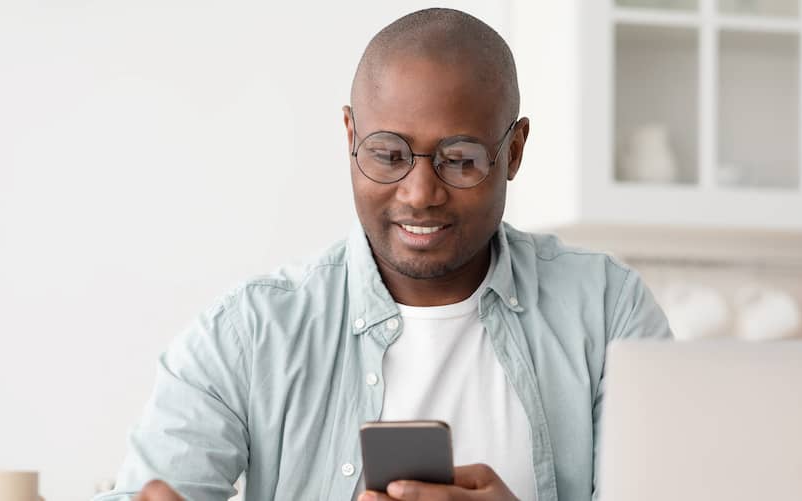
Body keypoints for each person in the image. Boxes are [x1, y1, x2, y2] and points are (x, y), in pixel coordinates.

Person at [94, 8, 671, 501]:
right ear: (349, 135)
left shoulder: (607, 312)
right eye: (389, 154)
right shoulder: (251, 332)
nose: (420, 194)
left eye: (461, 158)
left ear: (514, 150)